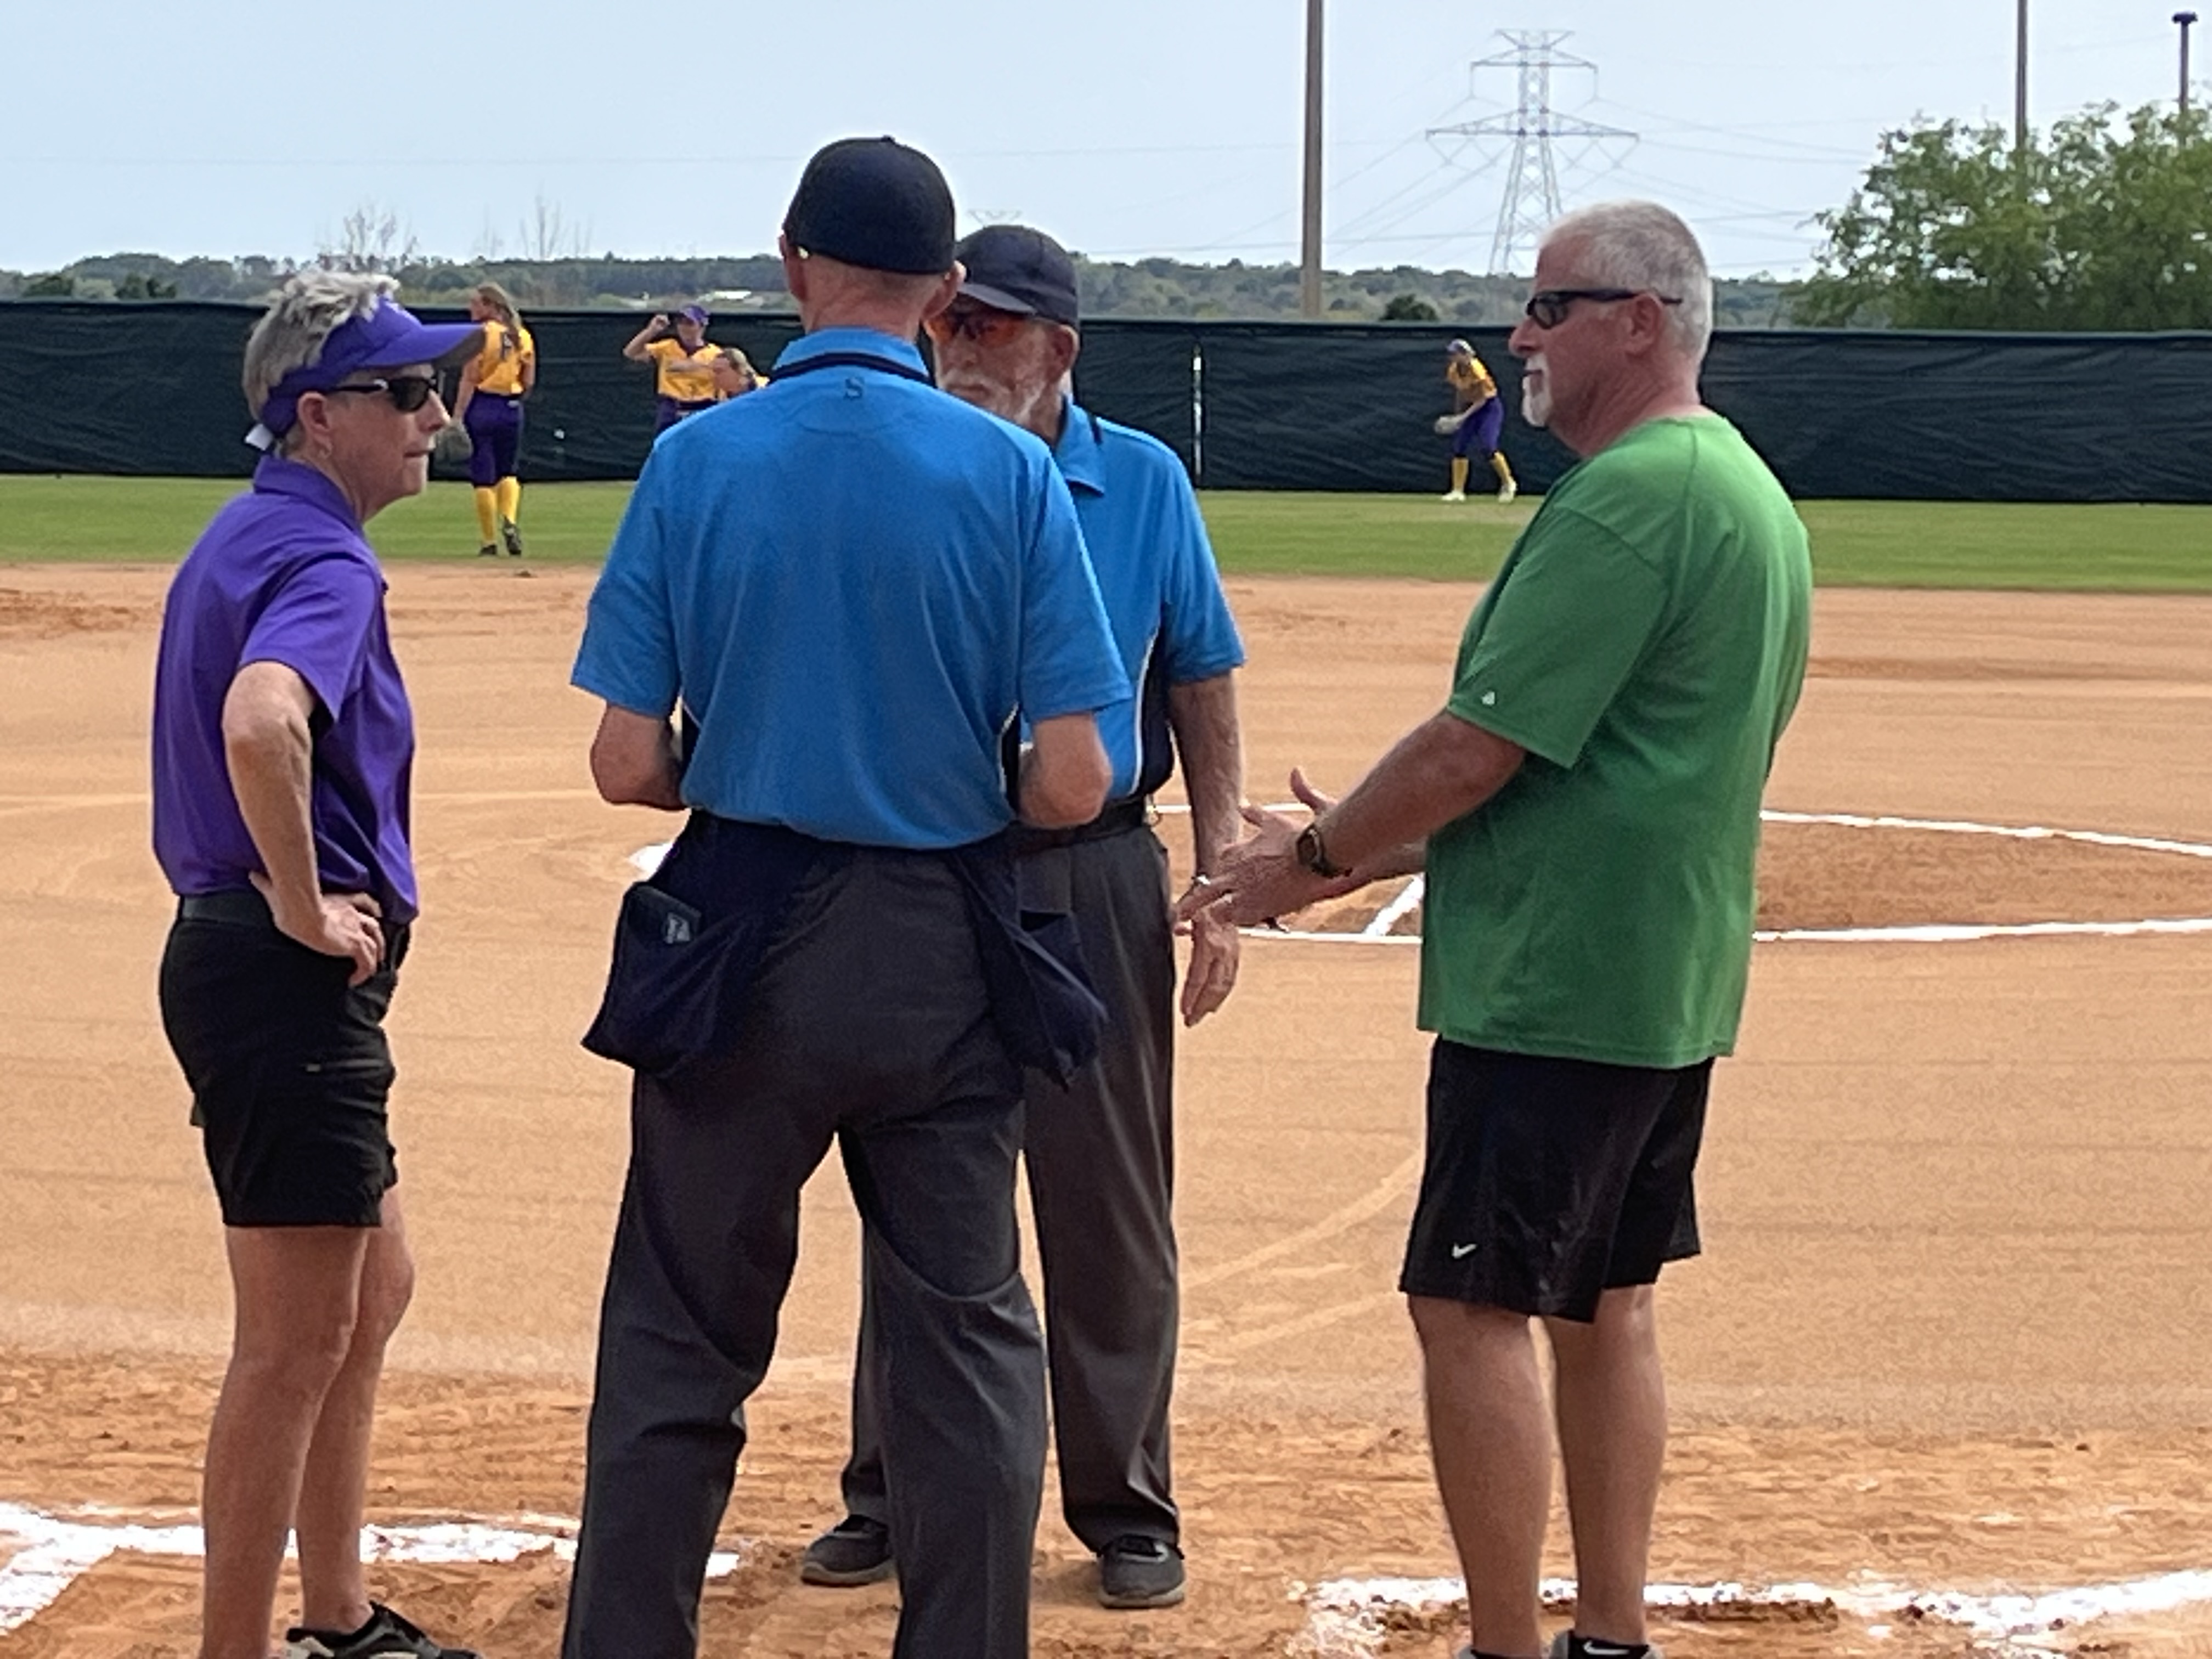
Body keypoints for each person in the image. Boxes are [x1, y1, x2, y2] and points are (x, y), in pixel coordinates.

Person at [1179, 201, 1812, 1659]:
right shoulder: (1742, 492)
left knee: (1468, 1308)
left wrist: (1318, 857)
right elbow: (1583, 761)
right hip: (1661, 971)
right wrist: (1366, 840)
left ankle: (1508, 1648)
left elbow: (1484, 744)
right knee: (1605, 1304)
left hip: (1557, 981)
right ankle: (1607, 1634)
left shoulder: (1633, 496)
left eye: (1552, 307)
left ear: (1641, 322)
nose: (1522, 337)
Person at [559, 137, 1129, 1659]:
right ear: (945, 296)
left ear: (793, 262)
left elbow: (624, 761)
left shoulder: (697, 457)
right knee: (966, 1346)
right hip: (943, 940)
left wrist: (729, 752)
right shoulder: (1010, 470)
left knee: (679, 1342)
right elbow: (1076, 781)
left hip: (736, 931)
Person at [799, 223, 1246, 1612]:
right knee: (918, 1189)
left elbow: (1201, 673)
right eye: (952, 323)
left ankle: (1126, 1506)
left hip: (1089, 865)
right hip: (931, 859)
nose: (963, 349)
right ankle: (892, 1488)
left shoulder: (1144, 483)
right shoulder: (908, 461)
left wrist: (1219, 861)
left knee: (1106, 1196)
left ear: (1059, 347)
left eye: (993, 329)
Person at [150, 272, 484, 1659]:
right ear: (313, 417)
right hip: (279, 973)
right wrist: (300, 904)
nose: (435, 417)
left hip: (251, 972)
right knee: (288, 1346)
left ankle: (340, 1617)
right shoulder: (328, 561)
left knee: (373, 1289)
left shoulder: (251, 534)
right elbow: (260, 719)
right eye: (402, 394)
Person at [450, 281, 535, 556]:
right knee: (508, 471)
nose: (470, 308)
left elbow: (469, 378)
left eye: (475, 303)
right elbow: (529, 379)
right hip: (511, 407)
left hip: (483, 405)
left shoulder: (480, 335)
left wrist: (458, 416)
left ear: (489, 305)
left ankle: (489, 542)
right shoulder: (521, 335)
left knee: (483, 476)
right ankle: (509, 521)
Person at [620, 302, 729, 430]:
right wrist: (651, 331)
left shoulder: (715, 353)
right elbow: (631, 353)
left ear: (702, 326)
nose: (684, 327)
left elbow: (727, 384)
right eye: (681, 323)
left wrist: (696, 366)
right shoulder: (667, 347)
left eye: (690, 323)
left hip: (703, 407)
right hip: (672, 407)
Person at [1438, 337, 1517, 504]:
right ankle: (1458, 491)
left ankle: (1508, 483)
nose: (1452, 357)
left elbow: (1482, 399)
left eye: (1456, 354)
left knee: (1489, 446)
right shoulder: (1453, 370)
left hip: (1489, 408)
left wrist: (1462, 418)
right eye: (1451, 354)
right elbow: (1460, 393)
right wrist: (1457, 415)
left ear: (1466, 354)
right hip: (1470, 408)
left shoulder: (1476, 369)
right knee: (1460, 447)